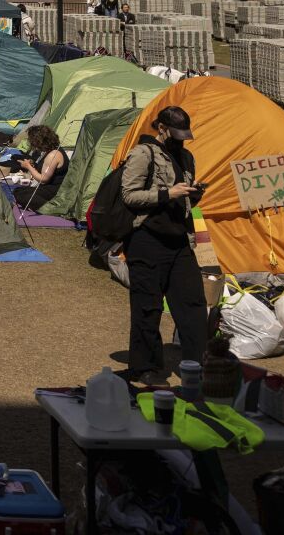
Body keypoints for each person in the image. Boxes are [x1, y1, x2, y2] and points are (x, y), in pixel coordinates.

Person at [119, 106, 207, 384]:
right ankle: (146, 367)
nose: (180, 139)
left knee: (192, 305)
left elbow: (185, 201)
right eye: (176, 133)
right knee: (148, 307)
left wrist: (194, 195)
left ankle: (198, 365)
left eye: (184, 134)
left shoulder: (186, 156)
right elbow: (129, 196)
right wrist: (169, 193)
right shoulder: (143, 154)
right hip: (147, 240)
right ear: (162, 128)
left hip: (180, 240)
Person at [10, 124, 67, 211]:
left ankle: (52, 209)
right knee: (18, 191)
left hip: (55, 190)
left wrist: (28, 166)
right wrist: (32, 164)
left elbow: (43, 180)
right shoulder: (51, 150)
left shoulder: (53, 155)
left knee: (23, 196)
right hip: (49, 187)